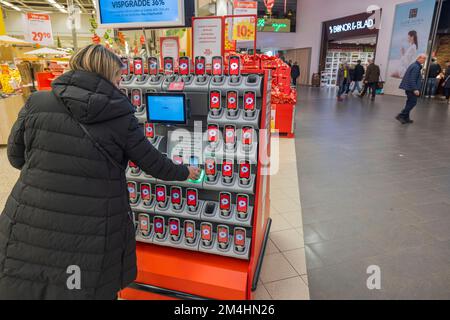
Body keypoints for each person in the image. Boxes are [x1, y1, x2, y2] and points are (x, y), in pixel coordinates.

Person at [0, 44, 201, 300]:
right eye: (118, 77)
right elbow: (154, 164)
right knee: (81, 288)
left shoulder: (37, 102)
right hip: (91, 227)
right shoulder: (120, 115)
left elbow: (15, 157)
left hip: (28, 220)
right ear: (107, 74)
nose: (120, 84)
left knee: (25, 285)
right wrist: (187, 172)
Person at [396, 54, 427, 124]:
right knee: (413, 102)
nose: (424, 60)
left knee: (409, 102)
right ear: (419, 58)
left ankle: (406, 118)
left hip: (409, 88)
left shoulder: (415, 65)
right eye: (424, 59)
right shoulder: (416, 67)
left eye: (425, 59)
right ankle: (401, 115)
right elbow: (412, 79)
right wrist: (415, 89)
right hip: (411, 89)